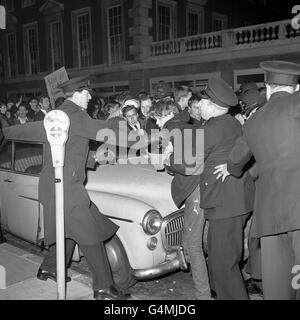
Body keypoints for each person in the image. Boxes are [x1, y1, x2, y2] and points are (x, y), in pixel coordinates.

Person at [36, 76, 131, 300]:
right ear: (76, 93)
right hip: (67, 188)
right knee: (91, 237)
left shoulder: (64, 114)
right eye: (87, 93)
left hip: (59, 183)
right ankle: (103, 288)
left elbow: (68, 148)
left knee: (68, 232)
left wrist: (91, 158)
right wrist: (119, 121)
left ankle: (50, 268)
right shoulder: (74, 115)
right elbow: (109, 133)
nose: (90, 97)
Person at [214, 61, 300, 300]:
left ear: (268, 88)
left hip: (270, 217)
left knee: (278, 287)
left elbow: (235, 164)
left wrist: (231, 170)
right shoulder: (297, 103)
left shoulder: (254, 120)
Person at [199, 77, 255, 300]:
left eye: (202, 102)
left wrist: (168, 156)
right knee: (225, 257)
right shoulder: (233, 122)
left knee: (224, 265)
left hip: (224, 203)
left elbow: (186, 162)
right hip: (239, 198)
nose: (199, 106)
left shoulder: (211, 129)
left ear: (212, 105)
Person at [150, 99, 210, 299]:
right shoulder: (190, 123)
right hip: (206, 186)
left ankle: (203, 294)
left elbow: (189, 164)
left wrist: (168, 161)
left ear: (166, 114)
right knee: (200, 238)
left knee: (192, 243)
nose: (157, 123)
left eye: (157, 118)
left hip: (194, 188)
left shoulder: (170, 129)